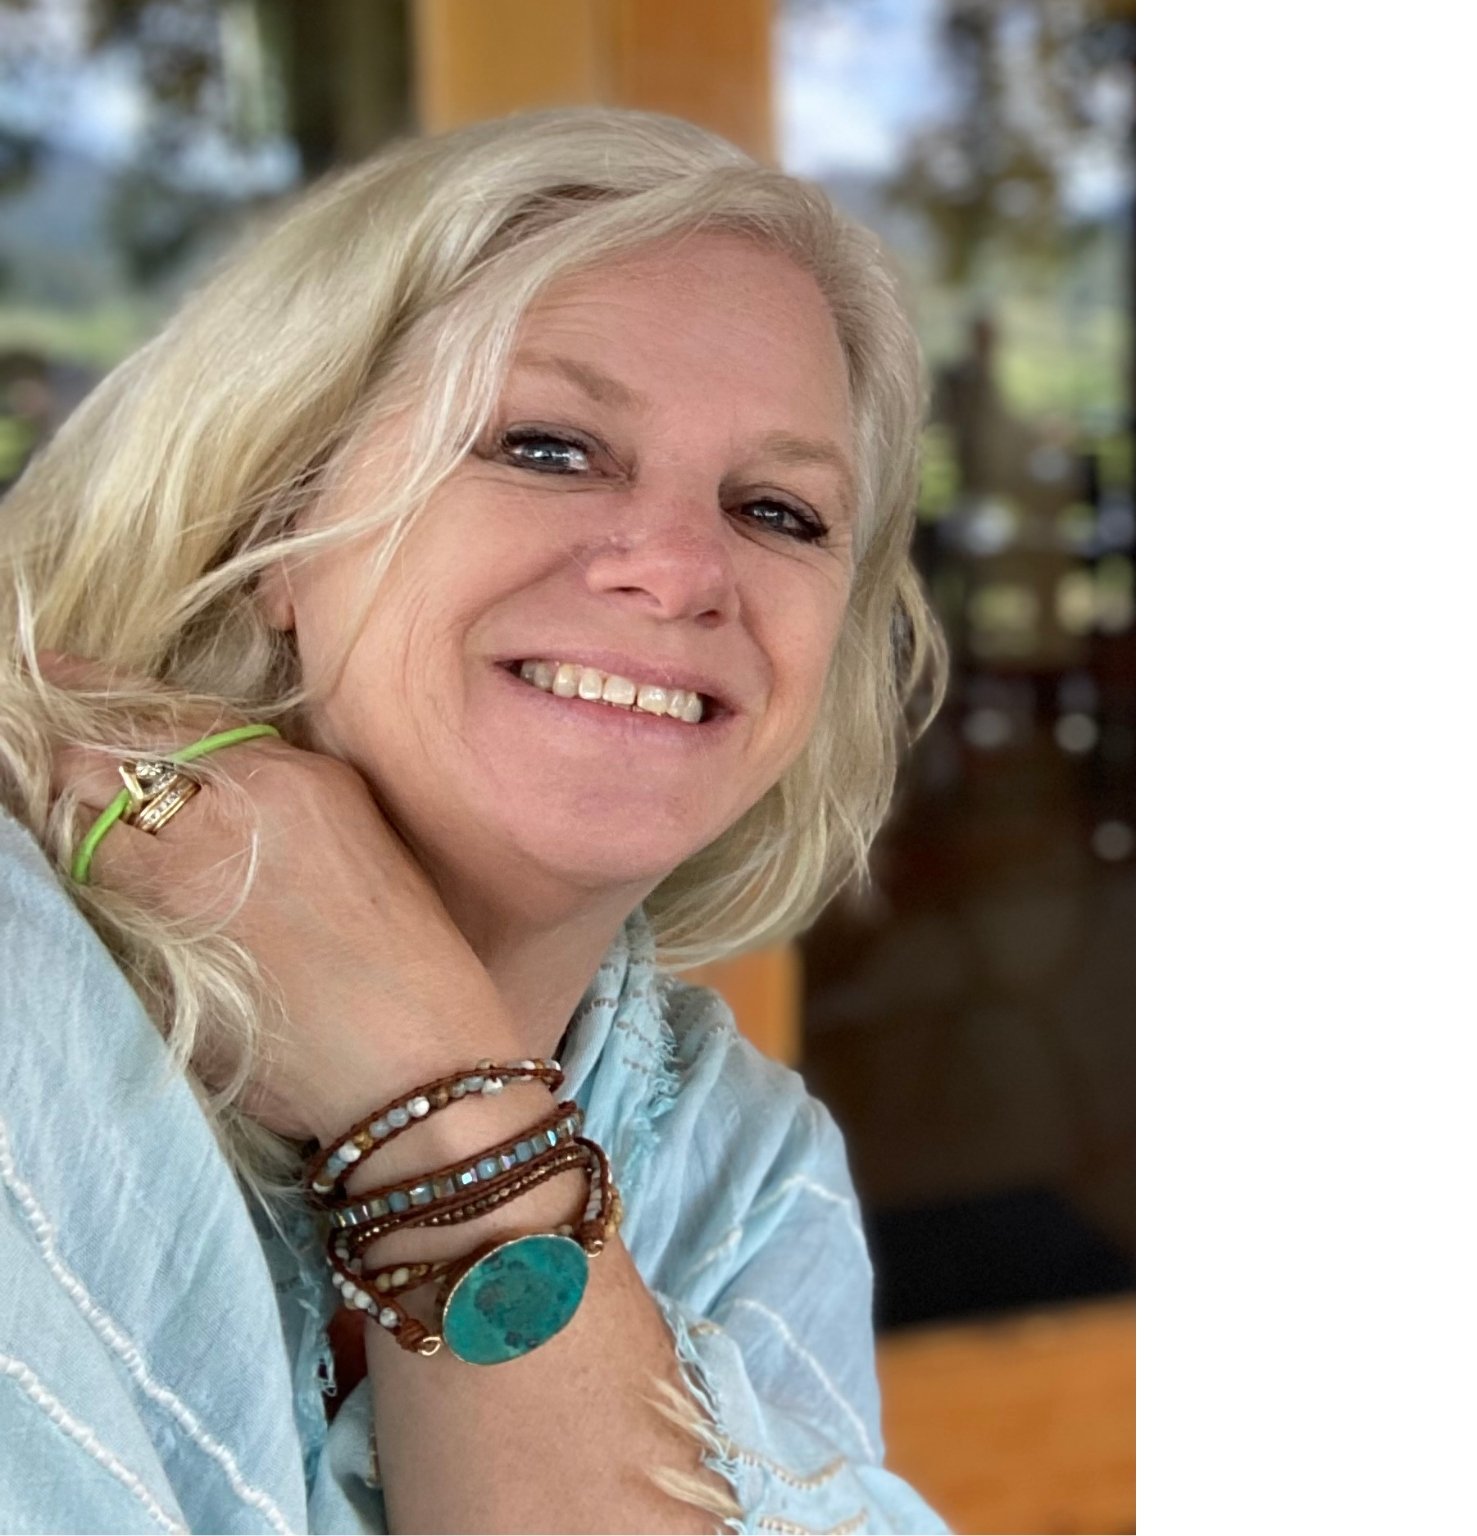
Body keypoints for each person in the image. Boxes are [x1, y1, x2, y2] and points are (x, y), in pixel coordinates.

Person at [0, 106, 950, 1533]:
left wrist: (431, 1093)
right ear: (274, 526)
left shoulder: (745, 1163)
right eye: (551, 448)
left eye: (778, 511)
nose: (683, 570)